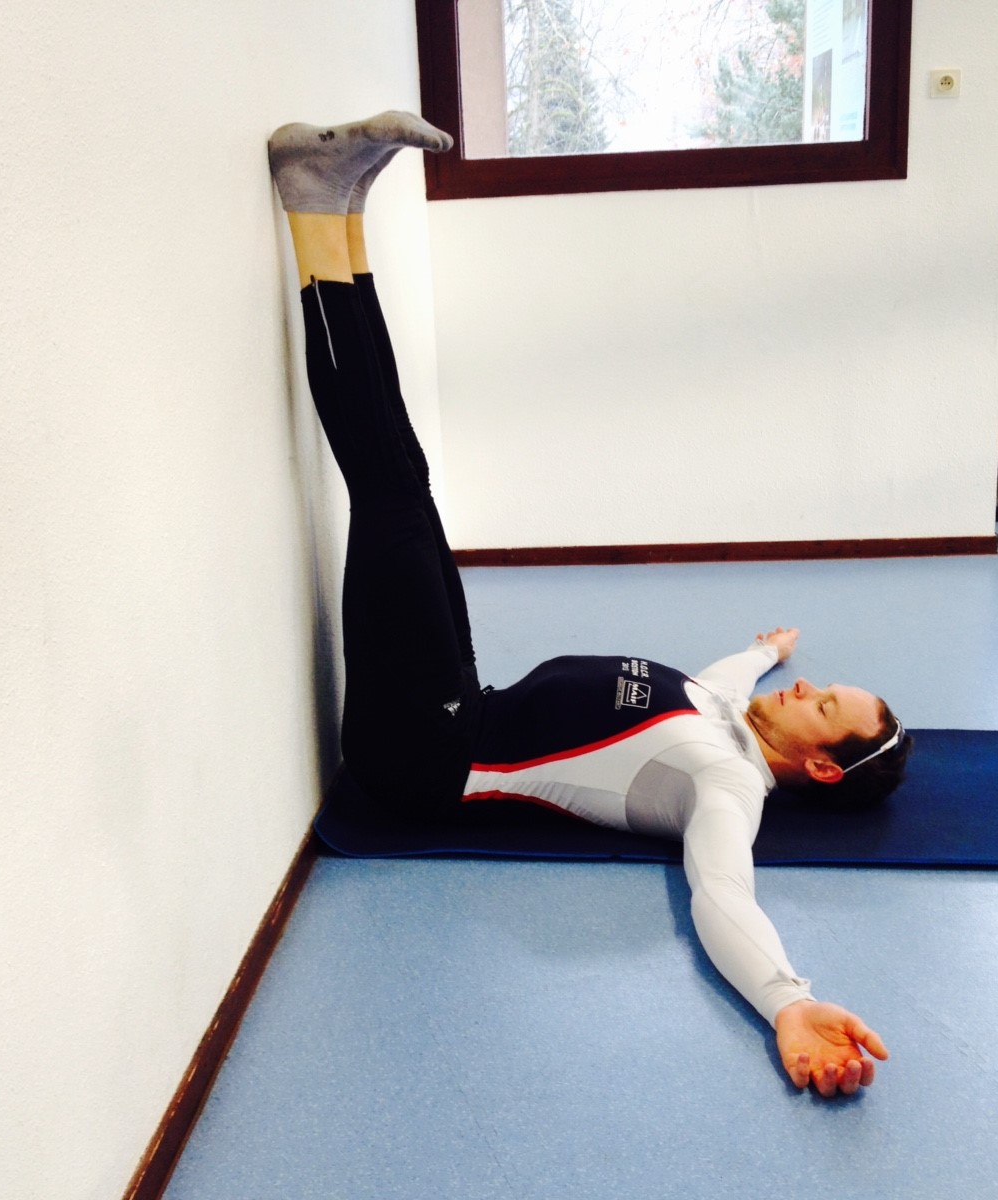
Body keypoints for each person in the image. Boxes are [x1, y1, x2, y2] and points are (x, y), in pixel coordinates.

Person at [268, 112, 914, 1098]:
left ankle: (315, 207)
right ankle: (341, 209)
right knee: (406, 479)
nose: (806, 689)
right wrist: (766, 651)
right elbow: (725, 675)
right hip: (464, 700)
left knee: (388, 486)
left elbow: (723, 896)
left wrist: (789, 1000)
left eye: (823, 705)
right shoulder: (722, 708)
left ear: (821, 765)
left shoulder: (725, 788)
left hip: (425, 757)